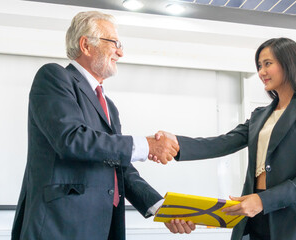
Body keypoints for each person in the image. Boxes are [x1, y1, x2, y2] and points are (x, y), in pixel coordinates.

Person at [11, 11, 194, 240]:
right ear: (86, 45)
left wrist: (161, 208)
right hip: (59, 227)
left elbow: (117, 166)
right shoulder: (54, 78)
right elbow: (72, 139)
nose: (121, 52)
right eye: (114, 43)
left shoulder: (109, 106)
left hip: (103, 227)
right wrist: (146, 146)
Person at [153, 38, 296, 240]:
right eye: (259, 66)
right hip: (256, 218)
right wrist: (176, 144)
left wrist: (263, 200)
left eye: (267, 64)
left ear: (289, 63)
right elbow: (223, 142)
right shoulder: (261, 114)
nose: (261, 72)